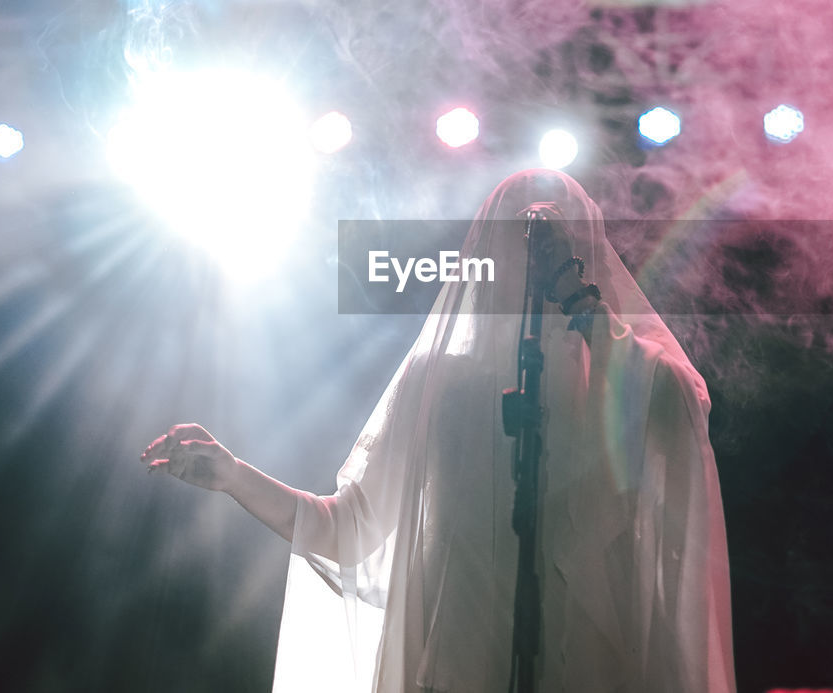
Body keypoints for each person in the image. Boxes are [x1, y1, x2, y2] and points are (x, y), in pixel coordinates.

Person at [142, 169, 736, 692]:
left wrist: (585, 312)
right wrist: (236, 478)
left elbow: (683, 413)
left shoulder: (630, 375)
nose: (539, 242)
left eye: (559, 230)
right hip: (458, 668)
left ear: (589, 252)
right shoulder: (439, 382)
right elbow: (346, 528)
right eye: (523, 228)